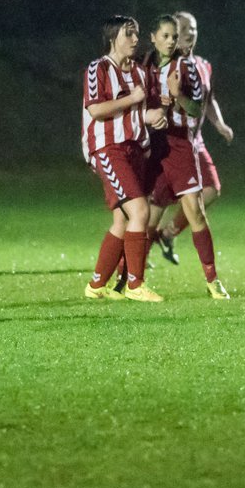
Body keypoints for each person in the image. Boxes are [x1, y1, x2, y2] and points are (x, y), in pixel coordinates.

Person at [144, 14, 230, 299]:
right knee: (145, 216)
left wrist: (178, 96)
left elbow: (197, 106)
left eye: (191, 29)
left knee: (200, 205)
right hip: (159, 147)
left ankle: (212, 280)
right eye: (174, 33)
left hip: (185, 145)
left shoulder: (195, 66)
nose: (182, 36)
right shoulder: (149, 65)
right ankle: (128, 278)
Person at [81, 15, 164, 303]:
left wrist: (152, 116)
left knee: (122, 218)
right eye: (128, 34)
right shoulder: (99, 68)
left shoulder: (141, 73)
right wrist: (132, 100)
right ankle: (135, 284)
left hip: (134, 150)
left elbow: (140, 113)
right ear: (112, 38)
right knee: (140, 212)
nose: (134, 39)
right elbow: (95, 110)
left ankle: (96, 286)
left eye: (136, 34)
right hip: (109, 149)